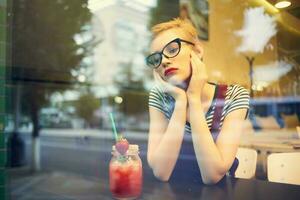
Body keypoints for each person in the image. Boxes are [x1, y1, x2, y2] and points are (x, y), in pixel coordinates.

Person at [146, 18, 250, 185]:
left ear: (197, 51)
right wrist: (180, 102)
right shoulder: (160, 96)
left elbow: (212, 176)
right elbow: (161, 172)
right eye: (156, 58)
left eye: (172, 49)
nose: (164, 61)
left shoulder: (234, 95)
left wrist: (193, 97)